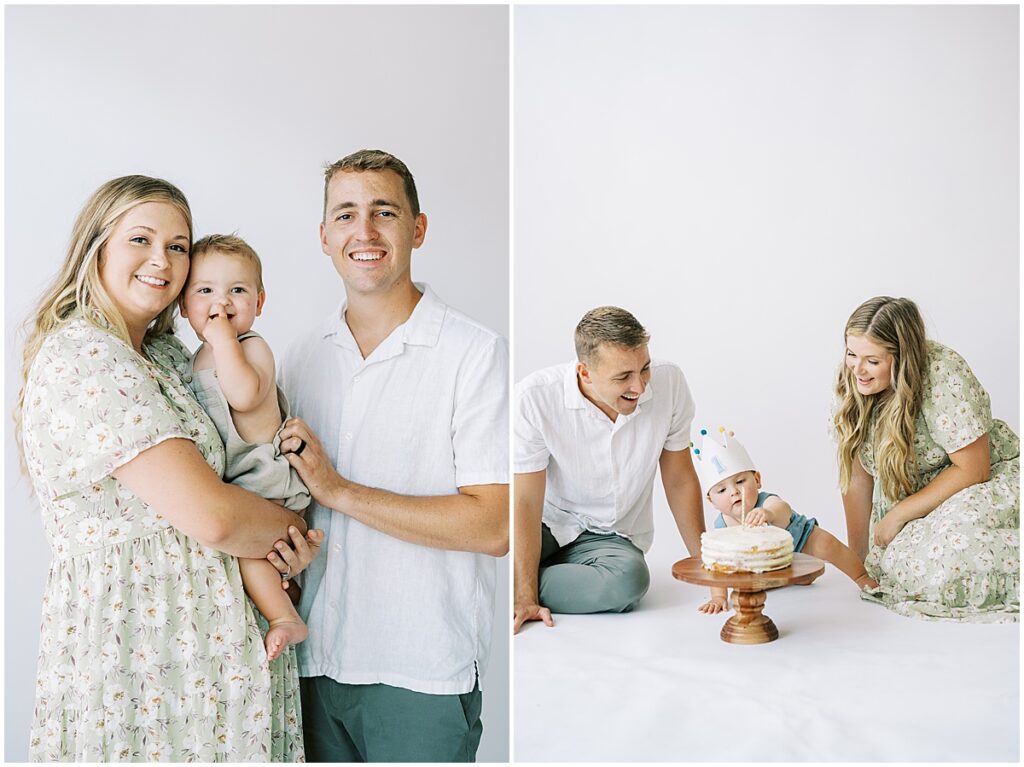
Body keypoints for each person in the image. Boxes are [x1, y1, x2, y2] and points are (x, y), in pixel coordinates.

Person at [16, 175, 318, 760]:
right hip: (145, 655)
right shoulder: (85, 355)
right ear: (96, 247)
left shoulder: (168, 353)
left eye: (178, 246)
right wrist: (292, 530)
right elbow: (217, 518)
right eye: (141, 239)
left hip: (222, 653)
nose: (162, 260)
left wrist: (282, 547)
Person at [274, 149, 509, 762]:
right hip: (310, 665)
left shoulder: (473, 354)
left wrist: (340, 491)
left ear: (418, 228)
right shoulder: (299, 357)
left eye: (384, 211)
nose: (365, 231)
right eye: (346, 215)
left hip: (420, 670)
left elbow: (492, 524)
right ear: (325, 238)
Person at [513, 306, 705, 632]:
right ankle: (521, 583)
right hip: (546, 526)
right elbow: (525, 502)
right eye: (623, 377)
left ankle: (519, 580)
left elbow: (679, 479)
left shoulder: (670, 383)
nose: (640, 386)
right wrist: (527, 596)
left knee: (629, 582)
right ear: (585, 373)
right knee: (490, 545)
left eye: (644, 369)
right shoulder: (535, 398)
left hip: (610, 538)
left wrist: (707, 564)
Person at [834, 295, 1019, 622]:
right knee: (905, 565)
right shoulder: (856, 376)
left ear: (902, 357)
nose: (858, 369)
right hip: (920, 501)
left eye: (872, 361)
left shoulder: (942, 372)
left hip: (971, 484)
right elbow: (856, 472)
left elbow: (974, 468)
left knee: (954, 556)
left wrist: (900, 513)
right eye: (851, 354)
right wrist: (858, 560)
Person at [180, 234, 314, 661]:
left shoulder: (251, 346)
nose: (222, 303)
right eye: (205, 291)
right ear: (183, 306)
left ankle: (284, 617)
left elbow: (244, 395)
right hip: (237, 477)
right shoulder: (196, 355)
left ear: (259, 302)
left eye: (237, 290)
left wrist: (223, 342)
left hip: (263, 474)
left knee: (247, 550)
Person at [692, 428, 878, 613]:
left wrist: (768, 513)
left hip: (801, 543)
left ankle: (861, 575)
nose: (734, 492)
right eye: (721, 490)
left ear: (757, 479)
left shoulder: (766, 502)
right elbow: (716, 563)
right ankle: (790, 578)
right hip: (767, 564)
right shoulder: (722, 528)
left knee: (828, 545)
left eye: (740, 481)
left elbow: (783, 509)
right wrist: (718, 597)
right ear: (712, 501)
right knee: (747, 579)